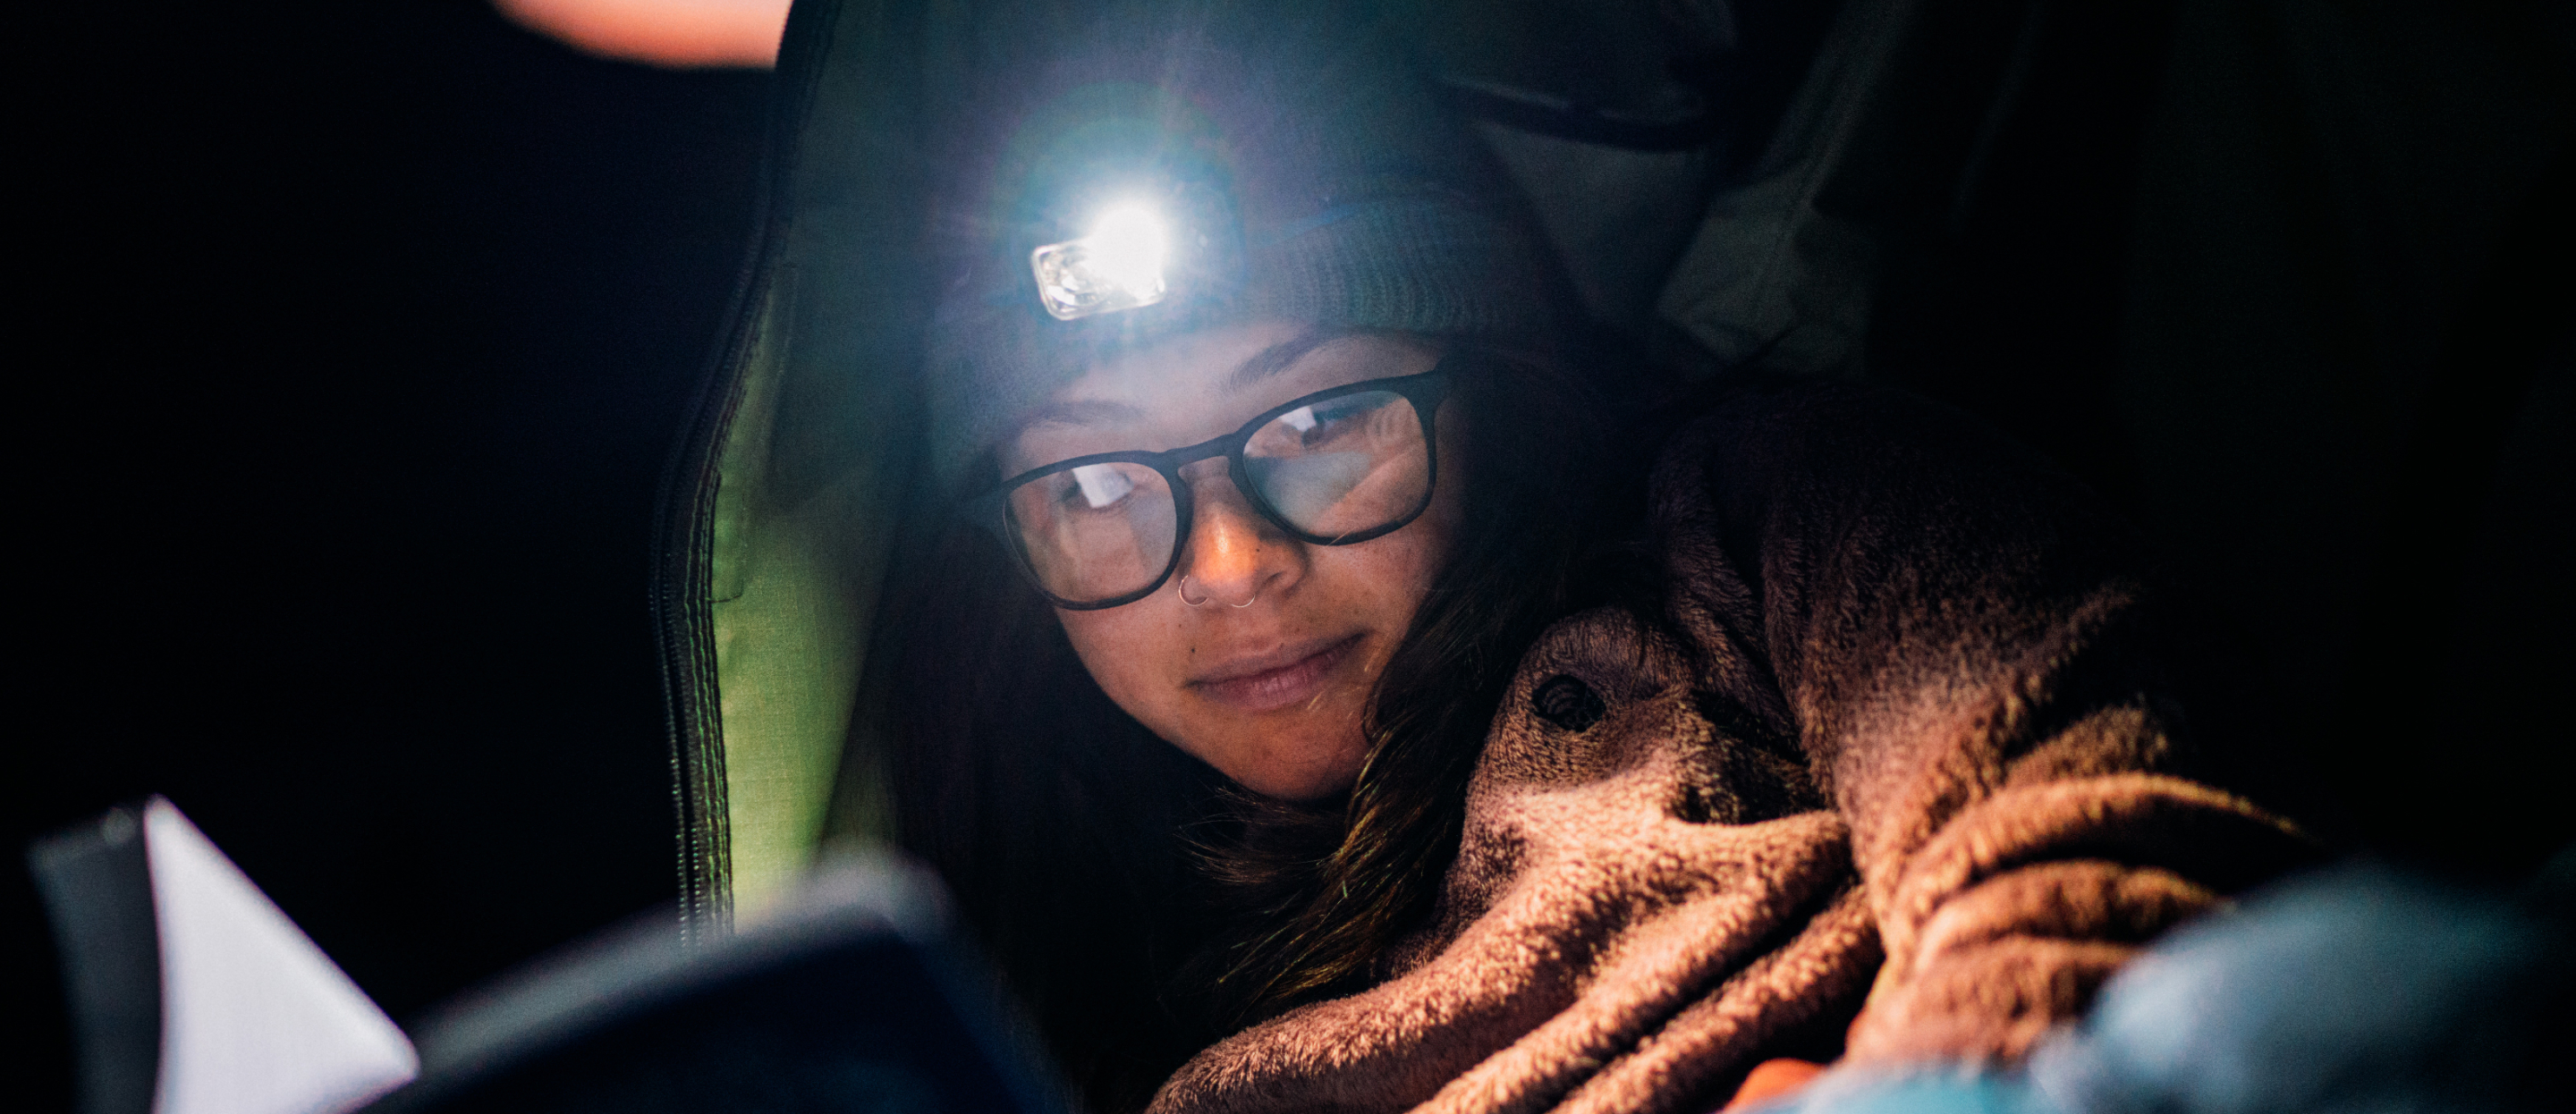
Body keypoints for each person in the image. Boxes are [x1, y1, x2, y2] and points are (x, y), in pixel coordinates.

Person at [758, 4, 2320, 1113]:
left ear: (1484, 383)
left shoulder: (1758, 523)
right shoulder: (1041, 977)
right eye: (1092, 479)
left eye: (1319, 421)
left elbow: (2106, 819)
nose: (1228, 563)